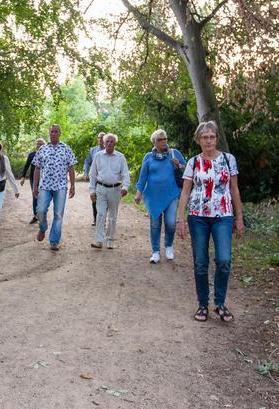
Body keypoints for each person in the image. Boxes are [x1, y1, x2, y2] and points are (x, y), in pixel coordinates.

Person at [175, 121, 244, 323]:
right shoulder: (193, 163)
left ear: (217, 138)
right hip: (198, 216)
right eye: (205, 137)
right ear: (198, 140)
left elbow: (234, 190)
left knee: (223, 260)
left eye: (212, 137)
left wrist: (239, 218)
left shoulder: (228, 160)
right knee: (200, 262)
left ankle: (220, 303)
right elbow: (185, 191)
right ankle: (203, 305)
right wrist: (181, 219)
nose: (209, 140)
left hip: (223, 215)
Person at [134, 129, 186, 263]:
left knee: (170, 223)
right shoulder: (148, 157)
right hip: (154, 196)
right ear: (154, 142)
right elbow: (143, 177)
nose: (164, 142)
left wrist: (178, 165)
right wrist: (139, 193)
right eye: (160, 140)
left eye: (165, 139)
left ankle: (169, 246)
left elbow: (187, 170)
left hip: (171, 194)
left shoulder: (174, 153)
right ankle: (155, 251)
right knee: (155, 224)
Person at [32, 124, 77, 251]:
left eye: (56, 132)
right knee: (40, 210)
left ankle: (54, 241)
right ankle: (42, 228)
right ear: (49, 133)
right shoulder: (42, 149)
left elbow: (71, 167)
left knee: (58, 214)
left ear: (60, 133)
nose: (53, 134)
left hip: (61, 186)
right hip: (45, 186)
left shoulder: (66, 149)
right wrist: (35, 186)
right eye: (52, 132)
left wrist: (73, 185)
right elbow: (37, 168)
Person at [89, 133, 130, 249]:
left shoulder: (120, 157)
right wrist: (92, 191)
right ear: (103, 143)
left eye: (112, 141)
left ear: (115, 144)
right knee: (101, 214)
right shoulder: (98, 156)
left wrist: (125, 187)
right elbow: (93, 174)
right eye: (107, 141)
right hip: (100, 188)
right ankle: (98, 240)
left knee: (112, 216)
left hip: (115, 189)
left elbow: (126, 174)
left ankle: (110, 241)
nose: (109, 143)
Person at [20, 138, 45, 224]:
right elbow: (26, 166)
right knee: (35, 196)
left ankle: (41, 214)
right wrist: (22, 177)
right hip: (33, 179)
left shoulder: (48, 154)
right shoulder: (32, 155)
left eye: (41, 144)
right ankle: (35, 216)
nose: (39, 145)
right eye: (37, 144)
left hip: (45, 179)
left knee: (43, 197)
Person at [83, 132, 105, 226]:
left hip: (105, 179)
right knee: (94, 198)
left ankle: (103, 219)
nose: (100, 139)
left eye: (102, 138)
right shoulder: (93, 150)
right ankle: (96, 219)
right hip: (95, 178)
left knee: (105, 199)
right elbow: (87, 162)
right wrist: (85, 173)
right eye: (99, 138)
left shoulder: (110, 149)